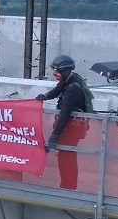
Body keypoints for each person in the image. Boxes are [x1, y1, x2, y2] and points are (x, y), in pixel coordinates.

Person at [35, 54, 90, 189]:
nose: (55, 74)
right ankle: (68, 185)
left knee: (66, 156)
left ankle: (68, 186)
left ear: (65, 71)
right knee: (66, 155)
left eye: (58, 71)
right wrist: (45, 96)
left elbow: (65, 115)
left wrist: (54, 136)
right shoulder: (72, 78)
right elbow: (58, 89)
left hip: (72, 127)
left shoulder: (73, 90)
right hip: (73, 125)